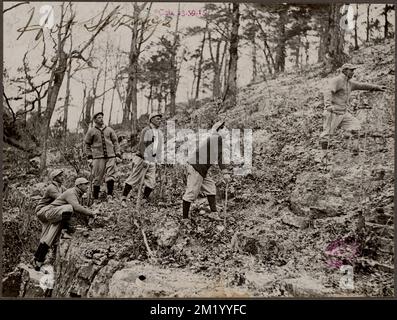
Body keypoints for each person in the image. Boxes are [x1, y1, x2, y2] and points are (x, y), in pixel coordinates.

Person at [320, 63, 387, 155]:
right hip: (333, 112)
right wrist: (328, 105)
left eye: (353, 70)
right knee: (327, 134)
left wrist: (377, 87)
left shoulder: (349, 83)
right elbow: (328, 91)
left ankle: (355, 150)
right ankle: (323, 156)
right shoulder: (337, 80)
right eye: (351, 70)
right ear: (344, 70)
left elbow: (362, 85)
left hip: (343, 113)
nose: (353, 72)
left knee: (355, 125)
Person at [33, 177, 97, 271]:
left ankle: (38, 261)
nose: (87, 186)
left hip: (57, 215)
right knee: (69, 208)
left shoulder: (77, 193)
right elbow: (76, 207)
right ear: (79, 185)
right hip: (50, 212)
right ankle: (65, 229)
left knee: (48, 239)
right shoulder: (71, 192)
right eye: (85, 184)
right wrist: (91, 213)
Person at [182, 120, 231, 221]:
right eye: (224, 128)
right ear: (218, 130)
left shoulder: (217, 140)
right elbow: (220, 158)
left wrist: (225, 172)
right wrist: (225, 173)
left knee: (211, 187)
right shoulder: (216, 138)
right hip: (196, 168)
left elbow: (219, 156)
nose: (226, 130)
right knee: (191, 192)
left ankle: (213, 213)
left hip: (201, 169)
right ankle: (185, 218)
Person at [120, 113, 163, 207]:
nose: (160, 121)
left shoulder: (158, 132)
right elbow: (142, 145)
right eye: (157, 119)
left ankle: (143, 200)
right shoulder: (146, 130)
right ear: (151, 120)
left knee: (151, 182)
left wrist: (158, 159)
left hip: (152, 160)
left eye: (160, 119)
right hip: (142, 158)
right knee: (134, 178)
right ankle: (123, 198)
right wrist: (144, 158)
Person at [84, 112, 121, 202]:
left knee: (111, 176)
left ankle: (109, 196)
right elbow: (87, 144)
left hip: (110, 156)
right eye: (99, 118)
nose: (101, 119)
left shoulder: (109, 130)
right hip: (98, 157)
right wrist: (89, 157)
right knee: (97, 178)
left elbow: (115, 142)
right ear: (95, 120)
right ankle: (95, 198)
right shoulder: (91, 131)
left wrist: (118, 154)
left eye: (102, 117)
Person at [33, 169, 66, 270]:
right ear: (55, 178)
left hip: (48, 212)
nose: (62, 177)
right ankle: (38, 259)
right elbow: (62, 198)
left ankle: (37, 259)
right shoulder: (52, 188)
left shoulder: (60, 187)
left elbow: (68, 193)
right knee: (51, 234)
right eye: (60, 176)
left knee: (46, 237)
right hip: (43, 212)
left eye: (62, 175)